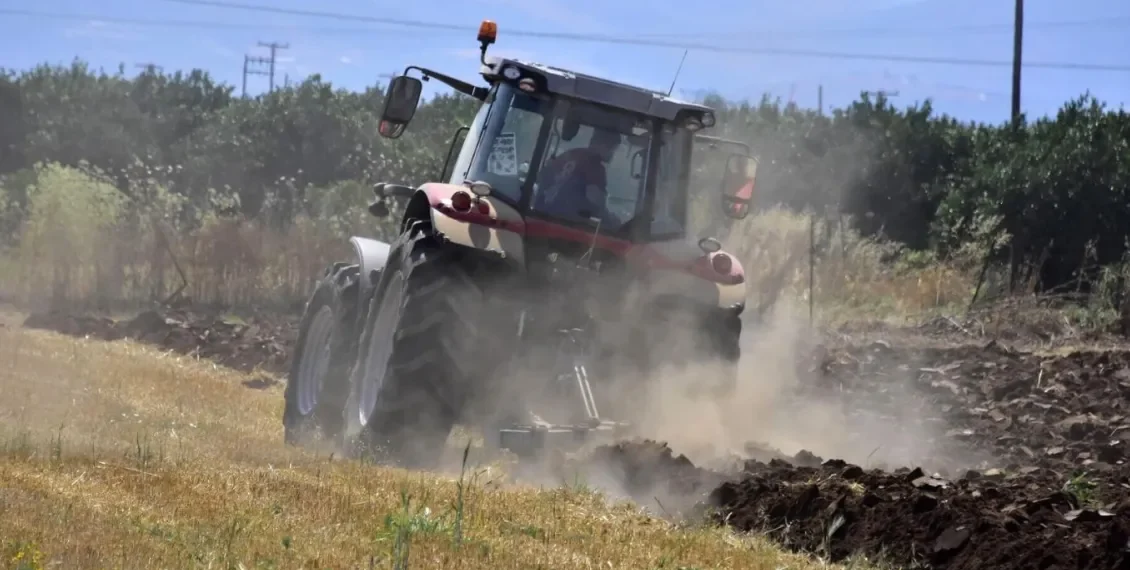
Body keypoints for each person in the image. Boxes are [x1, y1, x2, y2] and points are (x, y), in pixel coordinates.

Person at [535, 128, 622, 222]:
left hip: (543, 212)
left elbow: (541, 177)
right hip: (568, 220)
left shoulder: (570, 154)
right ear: (603, 145)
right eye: (612, 149)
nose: (613, 155)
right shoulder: (595, 167)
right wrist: (609, 219)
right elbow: (595, 199)